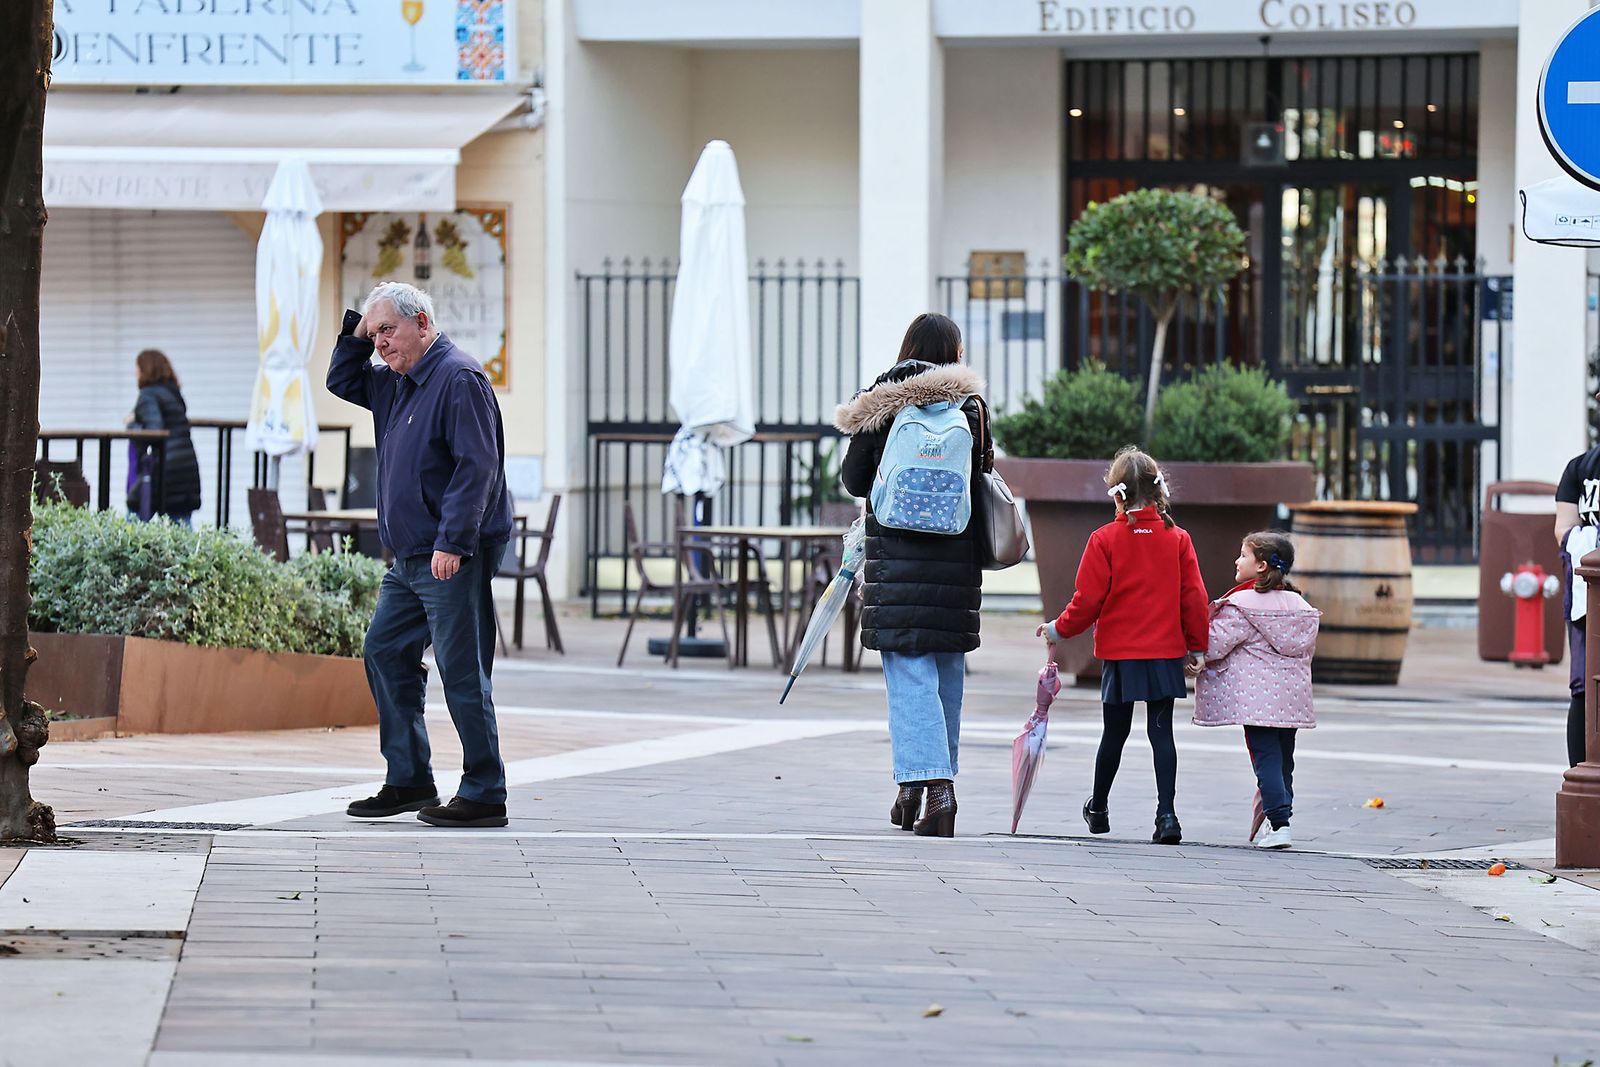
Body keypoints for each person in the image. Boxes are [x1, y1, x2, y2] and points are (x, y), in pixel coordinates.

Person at [327, 281, 515, 828]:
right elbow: (342, 378)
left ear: (424, 325)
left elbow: (476, 467)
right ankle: (409, 778)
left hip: (450, 552)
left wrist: (453, 543)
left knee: (462, 672)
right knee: (385, 651)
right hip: (409, 556)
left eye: (388, 330)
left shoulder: (459, 377)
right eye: (375, 333)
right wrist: (356, 328)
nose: (380, 344)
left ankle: (485, 791)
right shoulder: (395, 382)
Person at [836, 312, 987, 838]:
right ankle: (915, 792)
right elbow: (984, 478)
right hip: (956, 560)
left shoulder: (885, 397)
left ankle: (935, 789)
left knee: (909, 676)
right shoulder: (971, 406)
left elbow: (854, 480)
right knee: (946, 676)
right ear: (954, 352)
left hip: (898, 562)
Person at [1037, 447, 1208, 845]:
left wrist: (1058, 630)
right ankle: (1167, 816)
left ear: (1117, 494)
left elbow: (1087, 600)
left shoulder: (1104, 539)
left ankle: (1098, 807)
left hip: (1120, 653)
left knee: (1114, 733)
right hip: (1165, 652)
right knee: (1161, 733)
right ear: (1158, 489)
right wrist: (1197, 646)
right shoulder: (1178, 539)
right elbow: (1193, 598)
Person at [1190, 532, 1320, 850]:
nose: (1237, 560)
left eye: (1243, 556)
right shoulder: (1300, 605)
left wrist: (1194, 651)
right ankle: (1280, 819)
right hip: (1292, 699)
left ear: (1261, 566)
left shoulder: (1243, 605)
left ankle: (1280, 823)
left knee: (1265, 761)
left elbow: (1215, 643)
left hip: (1259, 702)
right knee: (1283, 760)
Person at [1556, 433, 1600, 767]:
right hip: (1590, 598)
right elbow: (1564, 529)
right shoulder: (1580, 469)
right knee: (1584, 687)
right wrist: (1590, 540)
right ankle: (1581, 779)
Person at [126, 349, 202, 525]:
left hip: (165, 470)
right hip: (186, 470)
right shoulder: (173, 393)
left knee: (134, 518)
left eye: (137, 368)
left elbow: (154, 431)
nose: (135, 373)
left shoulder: (148, 395)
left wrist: (132, 425)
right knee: (182, 530)